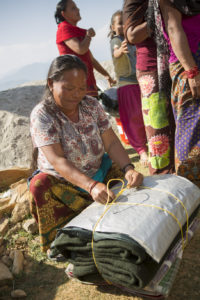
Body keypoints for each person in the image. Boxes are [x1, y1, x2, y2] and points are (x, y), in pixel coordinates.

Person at [29, 55, 144, 252]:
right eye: (69, 88)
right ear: (51, 84)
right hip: (65, 183)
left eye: (81, 88)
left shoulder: (91, 105)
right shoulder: (43, 115)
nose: (76, 94)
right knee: (39, 185)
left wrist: (128, 168)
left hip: (99, 171)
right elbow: (57, 160)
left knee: (131, 188)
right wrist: (91, 186)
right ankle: (62, 241)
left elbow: (112, 142)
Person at [123, 0, 175, 175]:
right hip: (151, 70)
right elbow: (132, 36)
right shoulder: (134, 2)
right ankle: (163, 179)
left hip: (174, 62)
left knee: (176, 124)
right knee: (158, 129)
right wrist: (158, 14)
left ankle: (181, 176)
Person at [155, 0, 200, 187]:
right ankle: (188, 189)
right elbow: (173, 28)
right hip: (189, 64)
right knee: (190, 131)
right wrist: (192, 72)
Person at [109, 10, 148, 165]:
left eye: (125, 22)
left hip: (138, 82)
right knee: (134, 119)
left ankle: (147, 145)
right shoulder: (116, 40)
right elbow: (115, 52)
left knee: (143, 116)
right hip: (127, 85)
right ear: (113, 27)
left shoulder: (132, 39)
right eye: (119, 23)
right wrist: (120, 51)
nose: (122, 25)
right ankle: (141, 150)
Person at [55, 0, 115, 98]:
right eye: (73, 8)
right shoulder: (64, 29)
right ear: (64, 14)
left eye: (76, 7)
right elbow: (80, 49)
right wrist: (88, 36)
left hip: (87, 83)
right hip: (75, 86)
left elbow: (91, 59)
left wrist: (106, 75)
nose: (78, 9)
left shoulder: (78, 32)